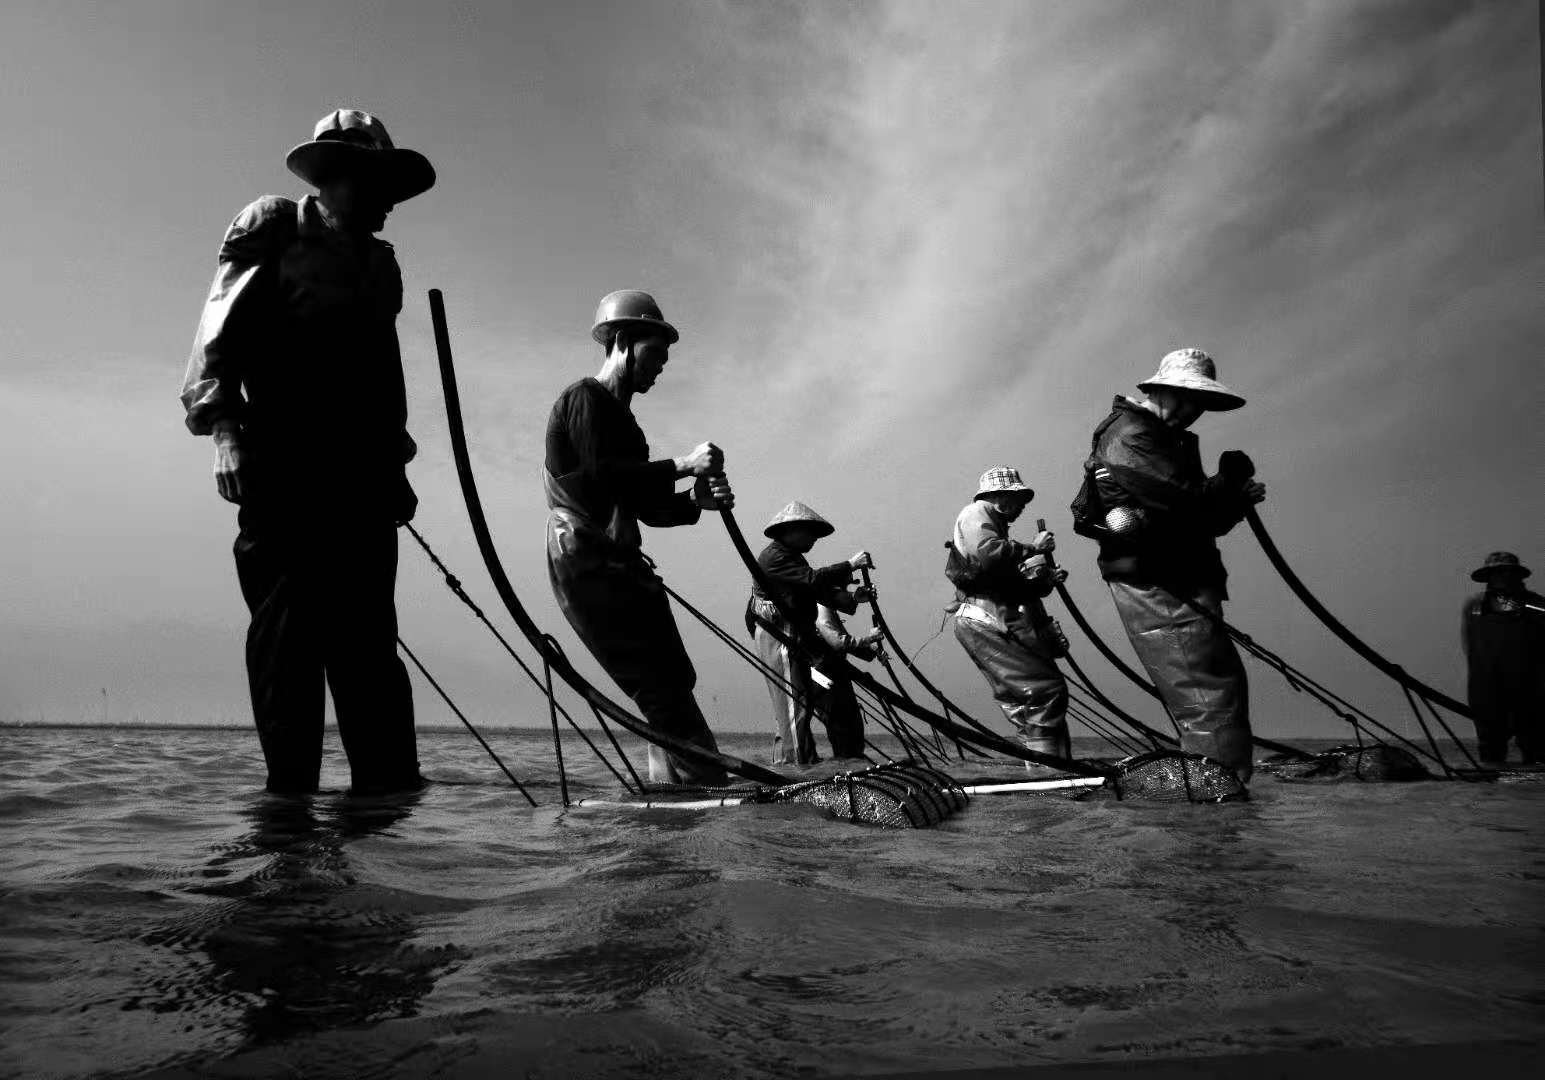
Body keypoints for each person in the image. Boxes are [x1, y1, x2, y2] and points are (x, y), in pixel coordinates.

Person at [181, 109, 434, 795]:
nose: (390, 204)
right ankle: (288, 817)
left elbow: (386, 377)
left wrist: (395, 465)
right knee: (288, 643)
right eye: (380, 185)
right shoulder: (273, 225)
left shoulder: (382, 265)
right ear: (339, 177)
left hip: (360, 478)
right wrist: (225, 432)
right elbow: (215, 343)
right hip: (282, 467)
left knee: (368, 648)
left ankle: (387, 810)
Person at [544, 289, 735, 786]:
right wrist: (684, 464)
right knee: (658, 686)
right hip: (584, 560)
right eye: (655, 355)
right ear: (623, 342)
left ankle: (669, 792)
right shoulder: (584, 398)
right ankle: (704, 780)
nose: (661, 368)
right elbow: (601, 476)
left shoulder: (630, 429)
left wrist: (696, 502)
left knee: (674, 676)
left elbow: (647, 507)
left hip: (622, 564)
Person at [1073, 347, 1266, 780]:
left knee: (1216, 688)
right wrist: (1228, 483)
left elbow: (1203, 518)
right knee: (1208, 697)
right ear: (1169, 391)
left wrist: (1232, 497)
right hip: (1160, 581)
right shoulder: (1133, 436)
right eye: (1195, 400)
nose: (1199, 412)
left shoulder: (1163, 438)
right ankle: (1218, 811)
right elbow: (1186, 502)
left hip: (1181, 577)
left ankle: (1213, 804)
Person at [947, 467, 1071, 763]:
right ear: (1003, 497)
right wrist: (1032, 548)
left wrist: (1043, 577)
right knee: (1045, 691)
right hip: (988, 618)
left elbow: (1004, 575)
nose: (1022, 508)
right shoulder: (977, 512)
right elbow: (987, 552)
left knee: (1022, 701)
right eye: (1019, 501)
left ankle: (1043, 773)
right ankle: (1054, 773)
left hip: (984, 618)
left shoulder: (995, 525)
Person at [746, 502, 873, 764]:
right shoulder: (774, 557)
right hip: (778, 635)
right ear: (790, 530)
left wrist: (852, 598)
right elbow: (814, 580)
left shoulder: (792, 558)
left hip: (794, 638)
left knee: (798, 704)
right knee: (793, 708)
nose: (814, 539)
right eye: (810, 532)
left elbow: (814, 590)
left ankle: (802, 762)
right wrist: (849, 564)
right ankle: (794, 768)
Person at [1461, 552, 1544, 767]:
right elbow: (1470, 646)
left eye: (1508, 572)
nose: (1503, 577)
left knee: (1535, 745)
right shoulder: (1474, 607)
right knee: (1490, 748)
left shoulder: (1536, 605)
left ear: (1518, 576)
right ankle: (1495, 796)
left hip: (1530, 687)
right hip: (1486, 687)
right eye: (1497, 573)